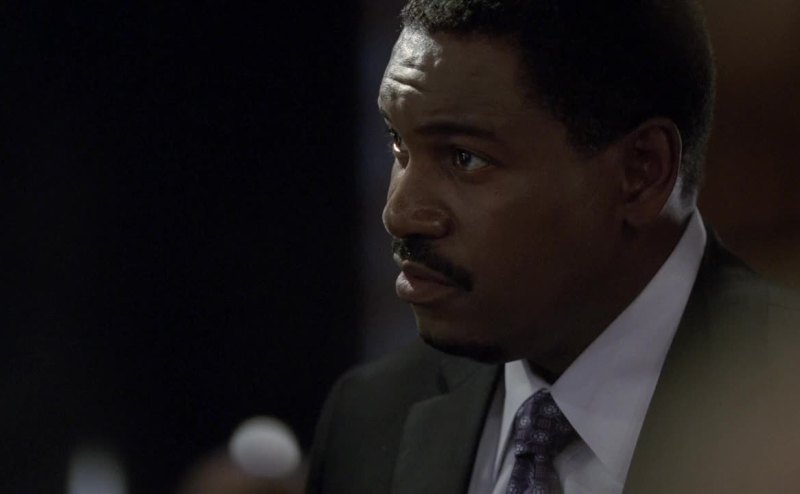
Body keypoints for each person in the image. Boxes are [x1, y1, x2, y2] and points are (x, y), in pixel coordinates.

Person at [307, 1, 800, 492]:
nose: (399, 213)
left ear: (642, 171)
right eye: (398, 143)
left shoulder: (784, 409)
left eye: (465, 158)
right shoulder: (368, 420)